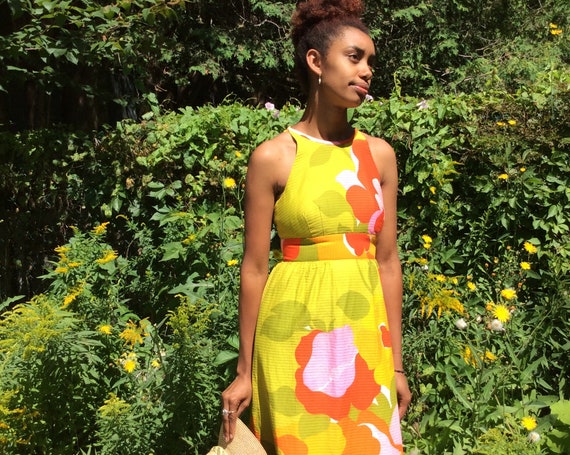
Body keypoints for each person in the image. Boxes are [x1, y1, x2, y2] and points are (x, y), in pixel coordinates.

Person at [221, 0, 412, 452]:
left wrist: (397, 365)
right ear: (315, 62)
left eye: (371, 61)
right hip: (291, 333)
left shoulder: (379, 156)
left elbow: (387, 262)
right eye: (354, 57)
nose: (367, 71)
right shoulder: (273, 156)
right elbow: (253, 268)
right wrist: (244, 369)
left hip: (365, 332)